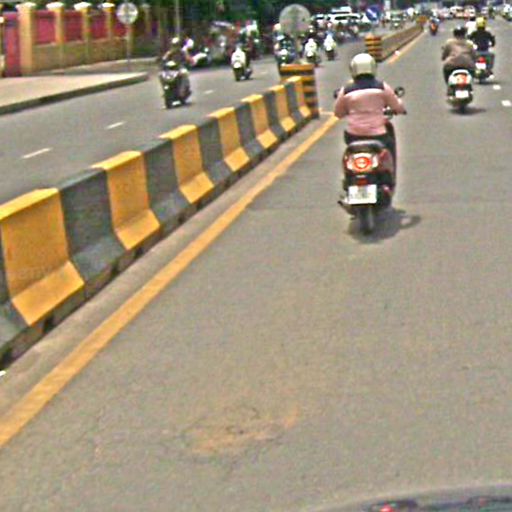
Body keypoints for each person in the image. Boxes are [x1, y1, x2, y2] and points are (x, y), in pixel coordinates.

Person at [334, 53, 406, 186]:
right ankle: (390, 178)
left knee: (348, 153)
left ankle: (347, 177)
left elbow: (338, 112)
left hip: (353, 135)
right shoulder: (381, 87)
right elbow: (397, 106)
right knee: (389, 149)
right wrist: (400, 109)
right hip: (379, 135)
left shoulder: (346, 90)